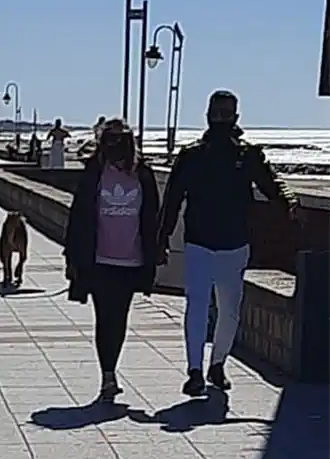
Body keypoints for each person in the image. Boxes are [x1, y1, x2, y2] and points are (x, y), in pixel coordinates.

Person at [158, 90, 297, 396]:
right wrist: (162, 238)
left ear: (236, 116)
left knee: (230, 310)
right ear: (207, 114)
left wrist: (287, 200)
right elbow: (172, 199)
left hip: (235, 244)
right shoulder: (192, 155)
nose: (220, 118)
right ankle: (194, 370)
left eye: (226, 113)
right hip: (198, 243)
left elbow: (271, 183)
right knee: (196, 306)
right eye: (215, 113)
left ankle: (217, 364)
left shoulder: (247, 155)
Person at [64, 118, 161, 401]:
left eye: (120, 140)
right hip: (98, 259)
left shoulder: (142, 173)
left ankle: (110, 369)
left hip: (131, 260)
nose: (114, 146)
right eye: (109, 140)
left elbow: (152, 214)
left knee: (118, 319)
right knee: (103, 317)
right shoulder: (94, 171)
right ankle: (108, 375)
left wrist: (157, 249)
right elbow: (78, 214)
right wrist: (72, 256)